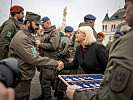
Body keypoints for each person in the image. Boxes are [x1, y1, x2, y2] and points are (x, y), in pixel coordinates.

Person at [63, 0, 133, 99]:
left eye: (78, 33)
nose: (75, 35)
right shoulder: (79, 49)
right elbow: (74, 64)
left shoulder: (98, 48)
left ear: (85, 36)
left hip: (99, 86)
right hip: (87, 82)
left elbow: (108, 69)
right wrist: (62, 65)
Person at [8, 12, 61, 100]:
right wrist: (56, 63)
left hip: (25, 74)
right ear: (28, 23)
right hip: (21, 76)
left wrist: (38, 47)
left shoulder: (27, 36)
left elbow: (35, 53)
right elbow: (34, 58)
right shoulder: (23, 38)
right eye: (36, 24)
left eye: (40, 25)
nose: (38, 28)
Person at [34, 16, 61, 100]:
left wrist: (40, 45)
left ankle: (47, 98)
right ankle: (44, 96)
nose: (41, 27)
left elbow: (53, 46)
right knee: (42, 80)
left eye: (43, 25)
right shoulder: (47, 33)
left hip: (49, 62)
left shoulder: (54, 32)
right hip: (44, 61)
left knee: (46, 82)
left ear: (48, 23)